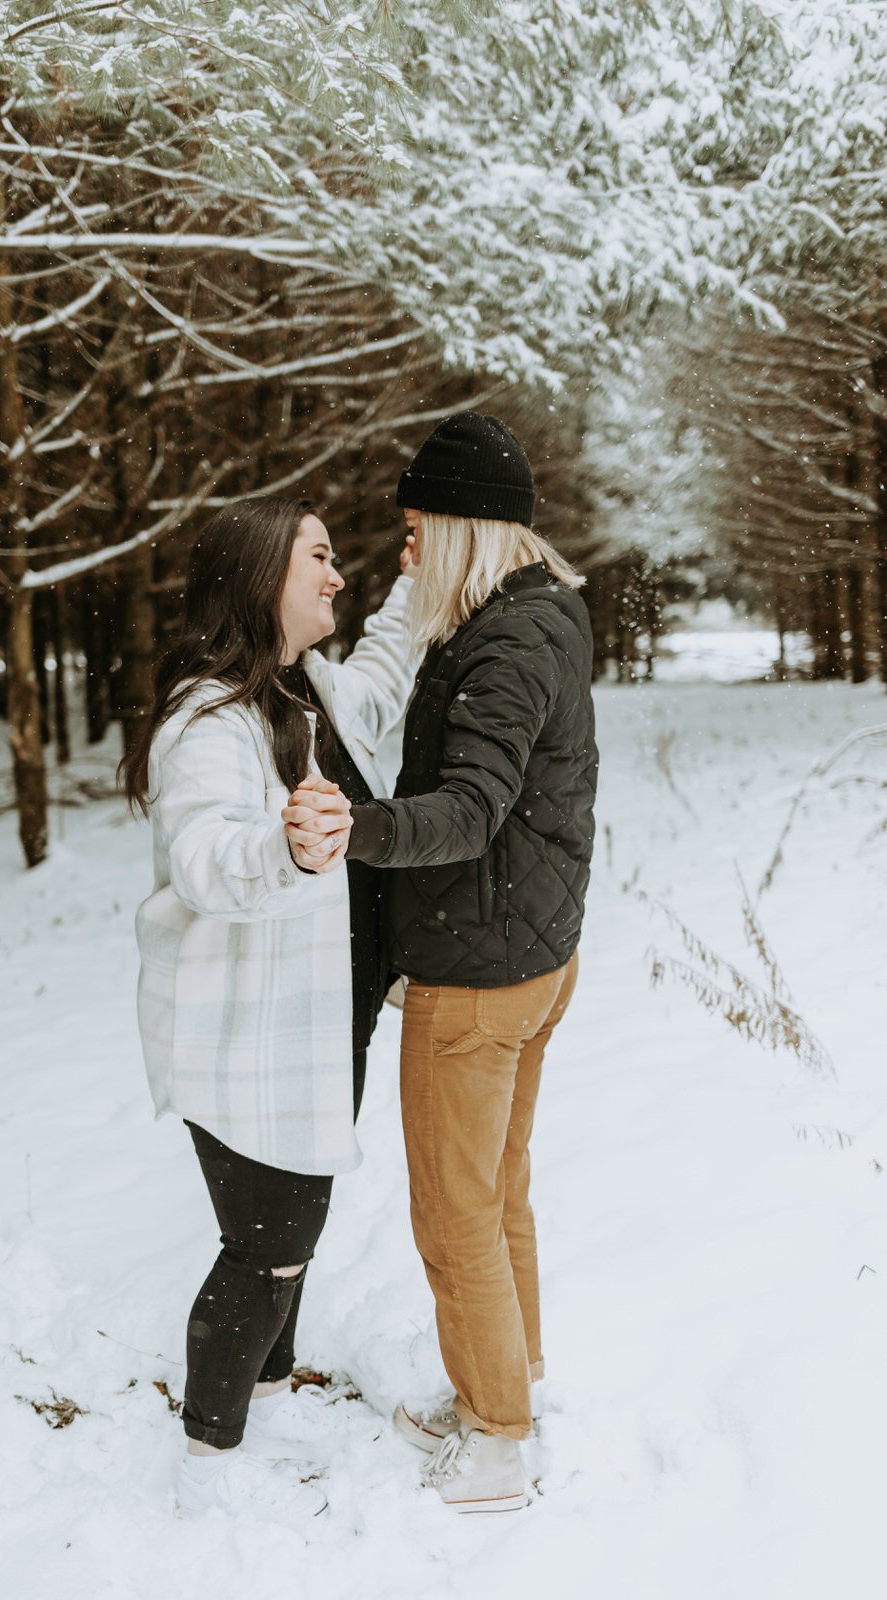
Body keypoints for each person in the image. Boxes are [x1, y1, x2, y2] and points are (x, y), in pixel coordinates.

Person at [284, 412, 598, 1515]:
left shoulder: (504, 644)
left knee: (451, 1210)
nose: (402, 552)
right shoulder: (536, 612)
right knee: (495, 1190)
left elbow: (466, 813)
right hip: (529, 952)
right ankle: (505, 1389)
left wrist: (353, 832)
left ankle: (498, 1443)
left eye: (417, 529)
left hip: (480, 969)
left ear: (464, 527)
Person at [121, 496, 418, 1526]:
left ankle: (269, 1394)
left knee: (298, 1218)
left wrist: (426, 576)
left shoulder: (307, 687)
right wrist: (285, 847)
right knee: (268, 1243)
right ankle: (207, 1457)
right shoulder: (209, 719)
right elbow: (206, 855)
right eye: (318, 559)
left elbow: (382, 680)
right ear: (258, 577)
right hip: (243, 1034)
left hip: (318, 1019)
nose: (338, 576)